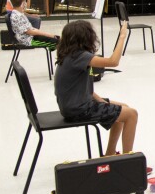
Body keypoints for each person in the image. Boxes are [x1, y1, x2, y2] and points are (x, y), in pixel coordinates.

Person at [55, 20, 139, 156]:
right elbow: (113, 62)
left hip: (72, 105)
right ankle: (129, 160)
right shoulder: (80, 56)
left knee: (123, 109)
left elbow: (85, 88)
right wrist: (122, 35)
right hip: (79, 110)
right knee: (132, 114)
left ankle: (110, 154)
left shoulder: (69, 55)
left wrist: (101, 101)